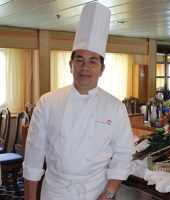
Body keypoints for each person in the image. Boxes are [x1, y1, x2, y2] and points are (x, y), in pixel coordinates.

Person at [23, 2, 134, 200]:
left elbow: (123, 155)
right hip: (55, 192)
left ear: (102, 69)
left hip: (96, 192)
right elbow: (33, 158)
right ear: (70, 65)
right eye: (79, 59)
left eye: (93, 60)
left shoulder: (115, 107)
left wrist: (108, 194)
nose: (85, 67)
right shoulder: (48, 102)